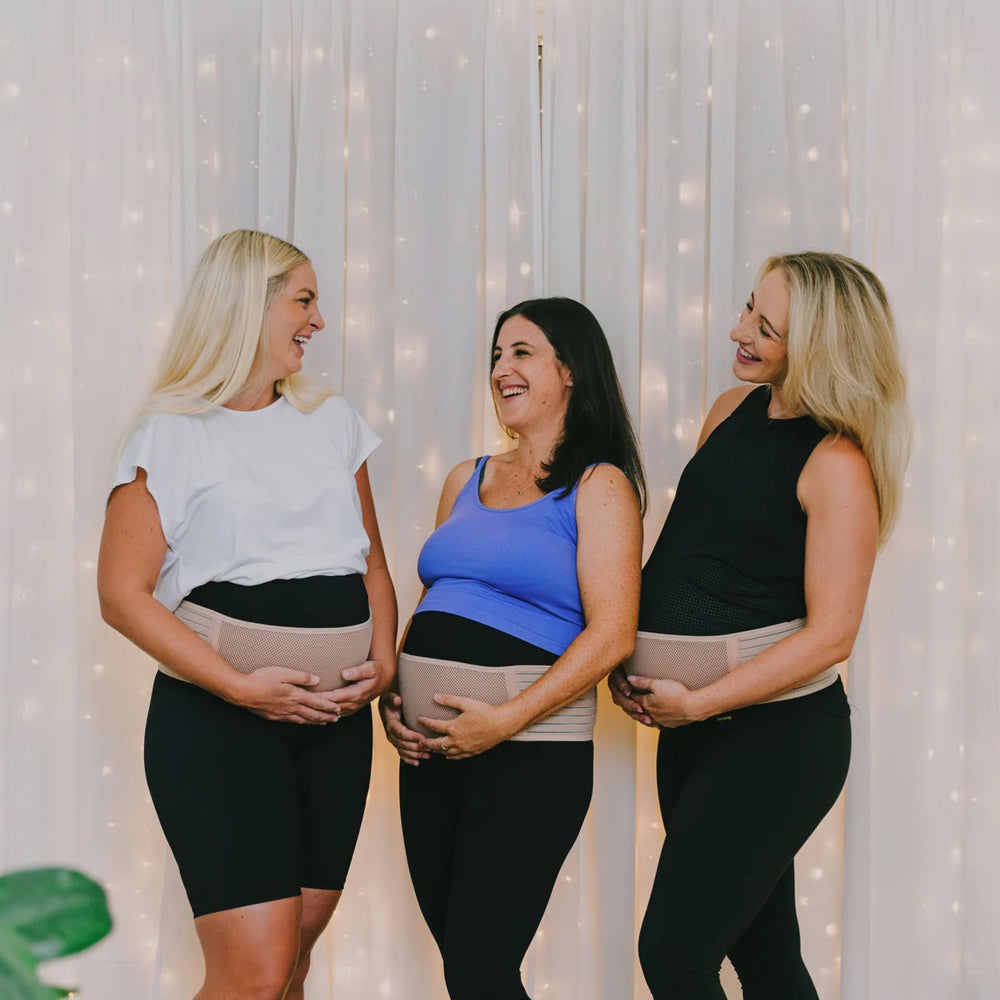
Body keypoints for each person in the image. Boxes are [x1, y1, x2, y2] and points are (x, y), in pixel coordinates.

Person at [97, 230, 397, 1000]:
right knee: (254, 971)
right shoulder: (170, 432)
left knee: (290, 962)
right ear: (246, 305)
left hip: (334, 727)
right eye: (303, 300)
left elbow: (369, 560)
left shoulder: (332, 421)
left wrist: (384, 657)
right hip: (219, 723)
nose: (318, 321)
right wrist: (239, 687)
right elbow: (122, 594)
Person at [609, 251, 911, 999]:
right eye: (750, 307)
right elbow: (689, 554)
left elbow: (832, 636)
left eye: (765, 327)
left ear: (819, 346)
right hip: (692, 730)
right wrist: (627, 656)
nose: (738, 330)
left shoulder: (837, 462)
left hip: (778, 739)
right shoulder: (729, 411)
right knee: (765, 957)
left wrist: (699, 701)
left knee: (673, 954)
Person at [380, 297, 645, 999]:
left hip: (529, 752)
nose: (502, 368)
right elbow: (435, 598)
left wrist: (504, 720)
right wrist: (394, 698)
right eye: (497, 355)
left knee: (479, 967)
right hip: (431, 750)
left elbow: (613, 633)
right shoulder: (463, 478)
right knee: (467, 970)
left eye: (522, 352)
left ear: (571, 370)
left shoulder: (599, 485)